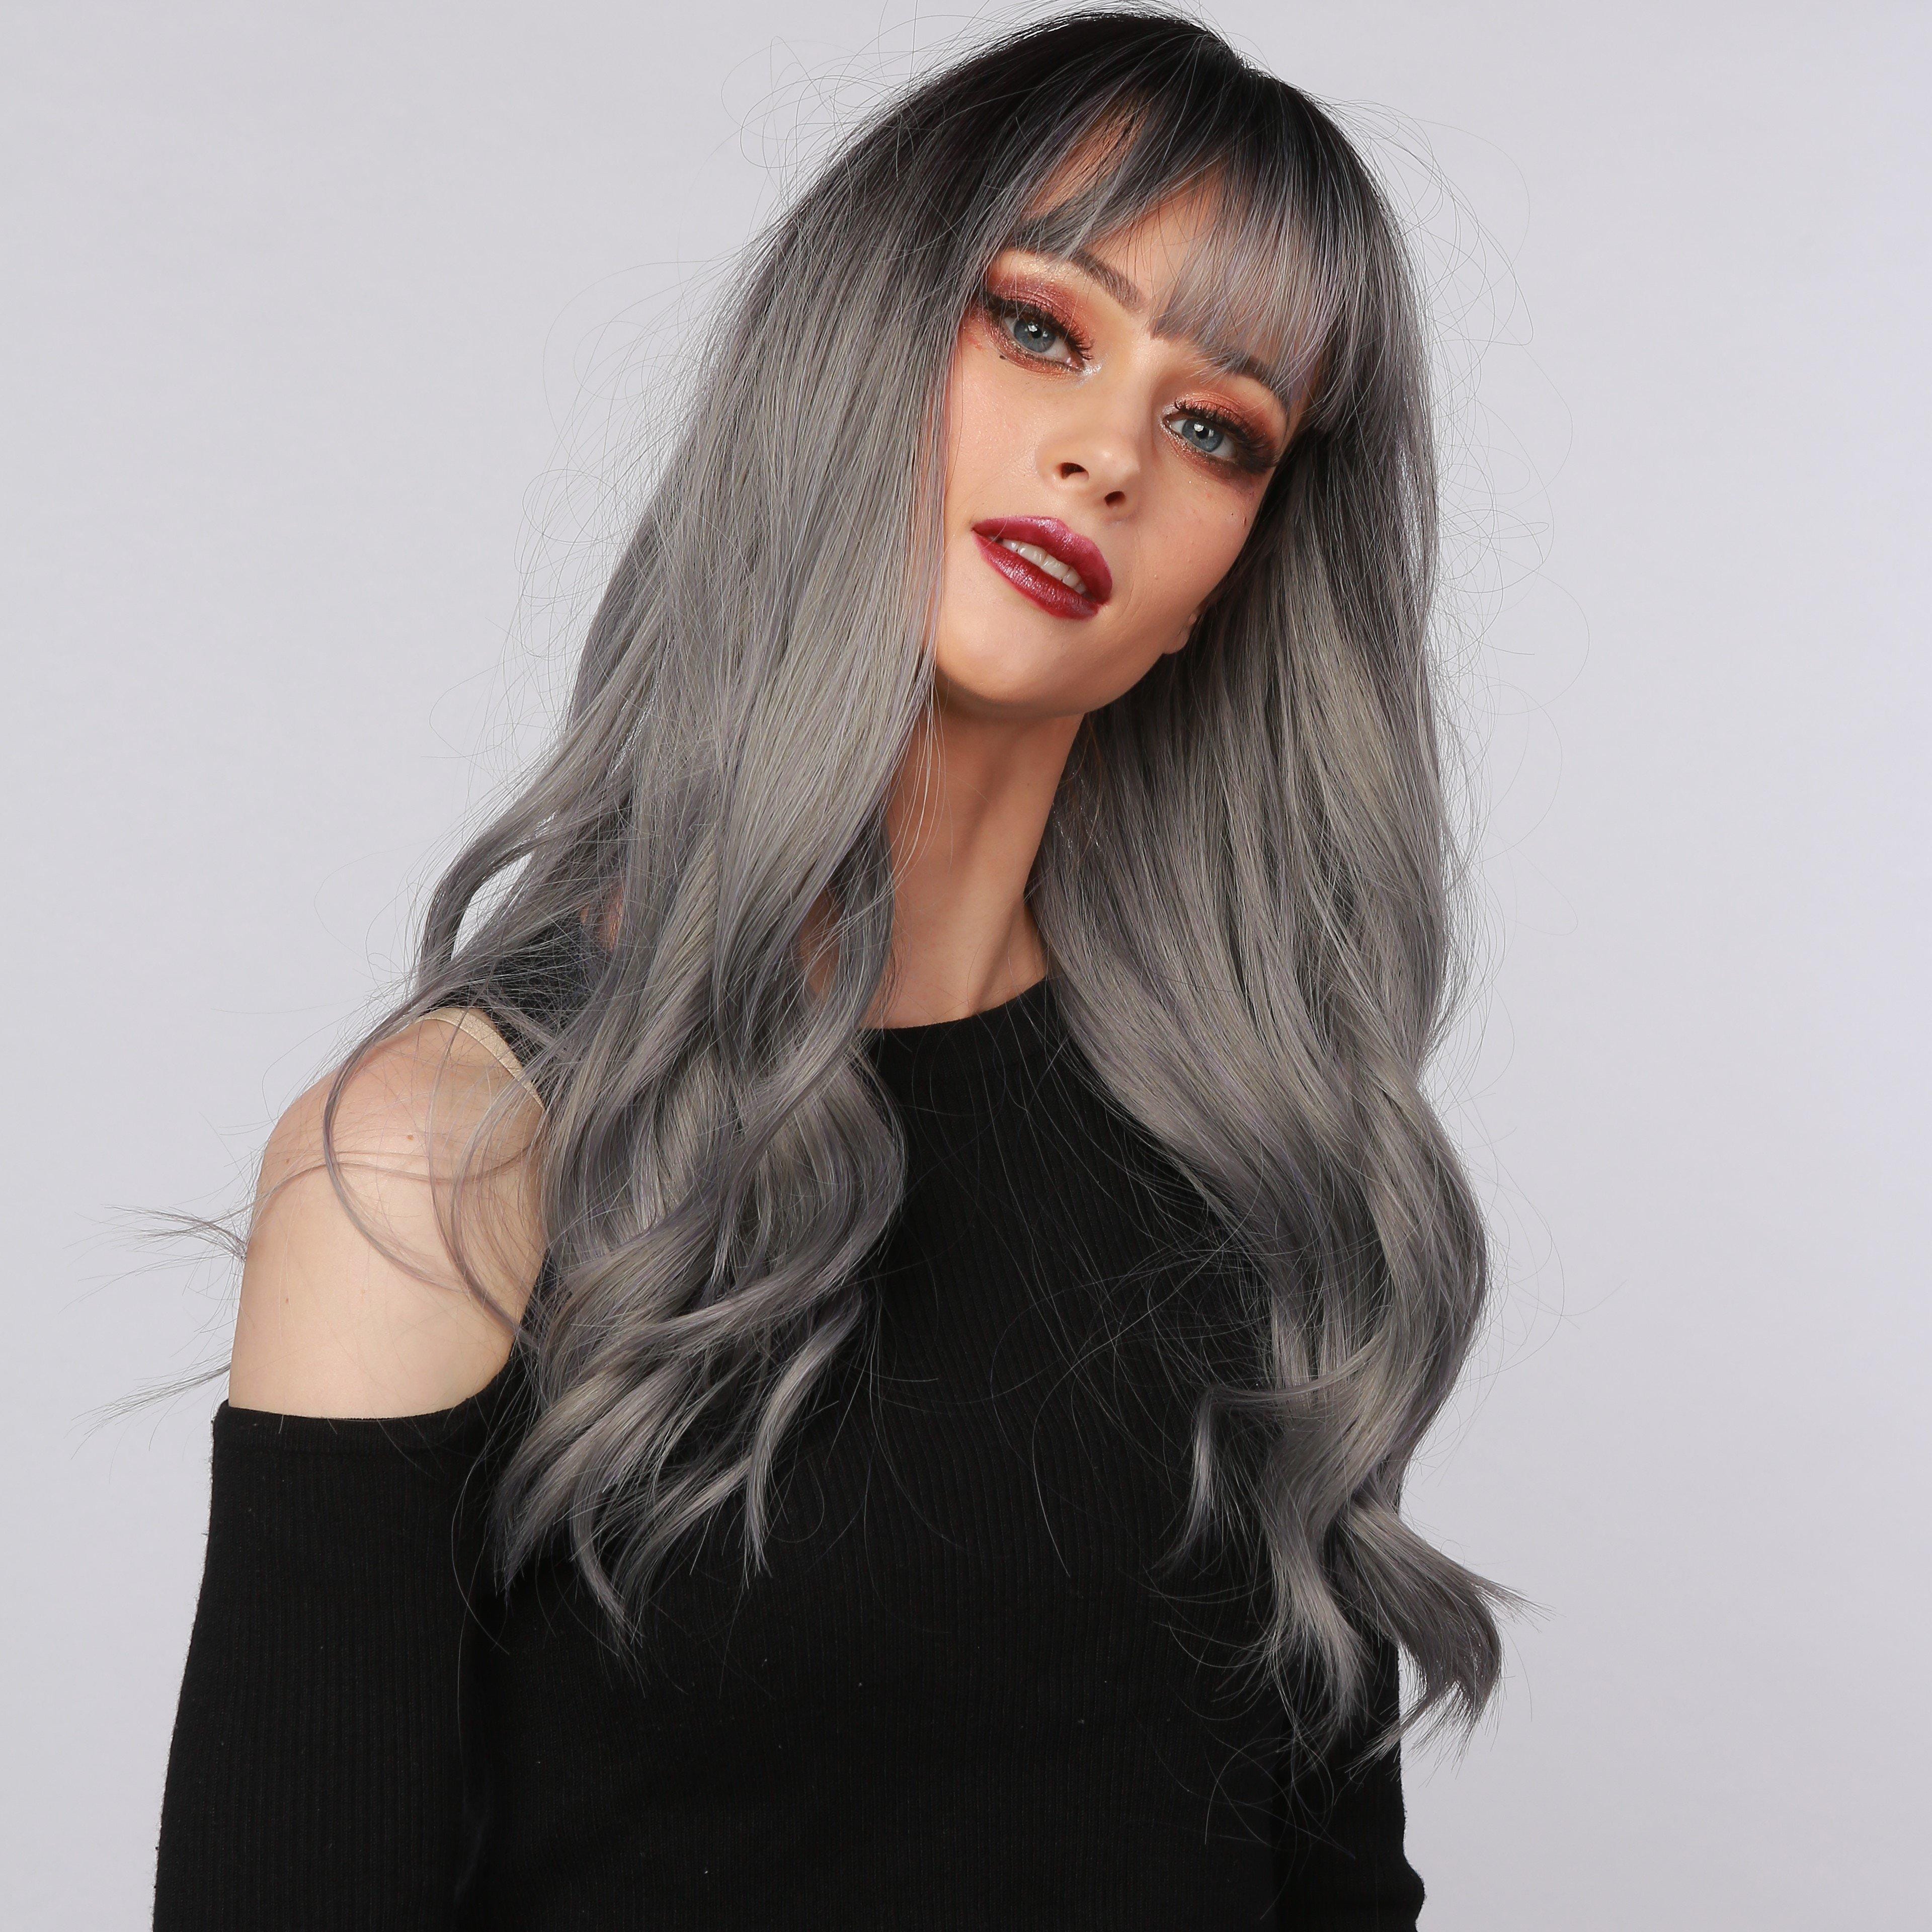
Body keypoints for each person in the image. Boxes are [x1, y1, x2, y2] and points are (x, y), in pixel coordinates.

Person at [153, 10, 1514, 1926]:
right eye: (1041, 325)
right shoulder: (442, 1158)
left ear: (1237, 580)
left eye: (1217, 428)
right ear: (856, 346)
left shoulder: (1264, 1175)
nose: (1109, 455)